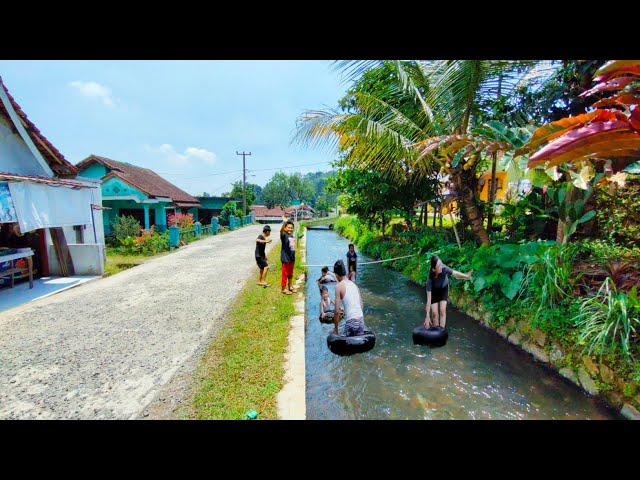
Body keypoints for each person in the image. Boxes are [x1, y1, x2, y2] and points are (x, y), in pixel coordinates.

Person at [424, 255, 472, 329]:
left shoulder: (444, 268)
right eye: (439, 266)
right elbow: (428, 300)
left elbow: (456, 274)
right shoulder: (430, 280)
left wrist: (467, 276)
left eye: (441, 264)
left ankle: (442, 330)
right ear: (433, 269)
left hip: (444, 288)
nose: (441, 266)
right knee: (434, 314)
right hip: (434, 291)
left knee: (442, 311)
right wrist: (427, 316)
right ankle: (436, 331)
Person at [333, 259, 365, 337]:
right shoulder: (354, 285)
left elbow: (336, 311)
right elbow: (361, 306)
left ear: (336, 275)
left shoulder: (339, 286)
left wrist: (336, 329)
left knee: (347, 347)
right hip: (361, 320)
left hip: (351, 322)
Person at [280, 214, 297, 295]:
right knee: (285, 273)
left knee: (290, 273)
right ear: (285, 228)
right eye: (289, 227)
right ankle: (283, 289)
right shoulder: (284, 235)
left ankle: (290, 286)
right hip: (286, 258)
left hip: (292, 258)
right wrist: (285, 222)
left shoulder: (291, 235)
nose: (290, 229)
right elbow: (281, 231)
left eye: (291, 227)